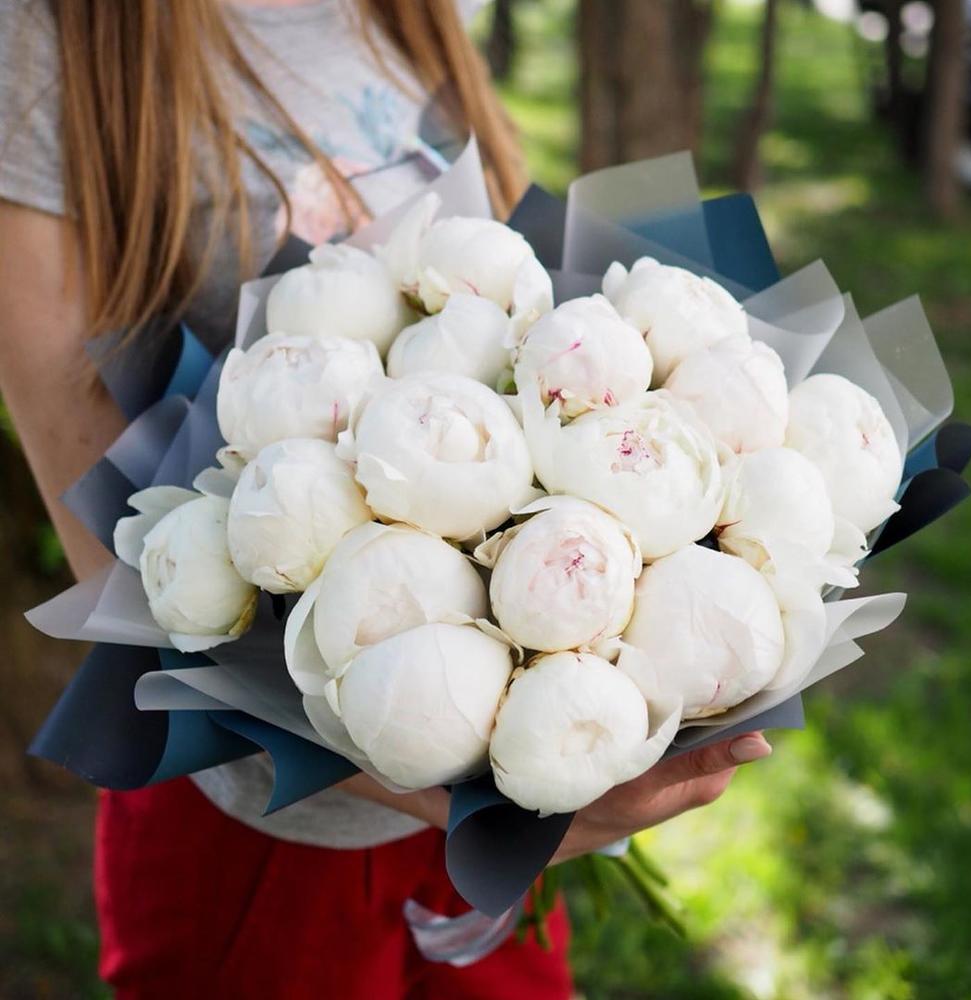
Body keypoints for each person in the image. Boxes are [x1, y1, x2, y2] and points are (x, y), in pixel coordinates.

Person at [0, 1, 774, 995]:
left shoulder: (406, 11)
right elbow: (106, 544)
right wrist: (432, 779)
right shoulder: (46, 41)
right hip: (261, 843)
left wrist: (561, 741)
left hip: (490, 812)